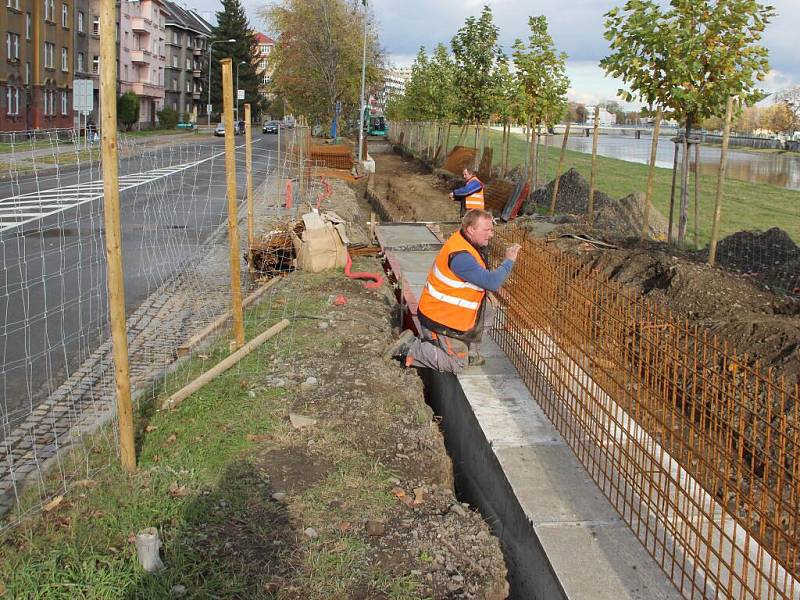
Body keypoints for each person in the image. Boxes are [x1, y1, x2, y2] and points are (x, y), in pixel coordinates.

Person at [384, 209, 521, 374]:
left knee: (489, 308)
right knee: (457, 365)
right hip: (440, 319)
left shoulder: (467, 242)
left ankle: (468, 352)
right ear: (471, 229)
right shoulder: (461, 256)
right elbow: (491, 282)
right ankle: (409, 348)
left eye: (492, 230)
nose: (491, 234)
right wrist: (509, 261)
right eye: (487, 230)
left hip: (447, 311)